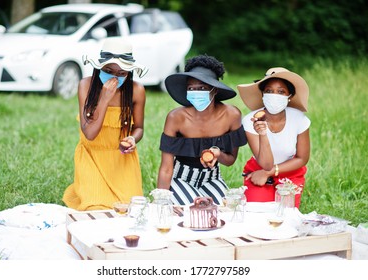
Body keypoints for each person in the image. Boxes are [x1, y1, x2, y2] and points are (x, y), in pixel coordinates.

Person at [63, 37, 148, 210]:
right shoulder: (85, 85)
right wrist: (103, 99)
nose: (115, 77)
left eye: (122, 73)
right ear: (99, 67)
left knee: (129, 209)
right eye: (108, 70)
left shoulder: (136, 91)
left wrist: (132, 138)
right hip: (91, 157)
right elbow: (90, 133)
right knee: (96, 207)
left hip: (121, 160)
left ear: (129, 73)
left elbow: (139, 128)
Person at [157, 55, 247, 205]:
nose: (196, 92)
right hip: (181, 177)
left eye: (202, 88)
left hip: (212, 178)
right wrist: (161, 201)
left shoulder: (231, 115)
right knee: (193, 211)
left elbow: (230, 160)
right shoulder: (176, 118)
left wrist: (218, 154)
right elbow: (166, 168)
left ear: (215, 90)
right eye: (191, 88)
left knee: (226, 211)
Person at [237, 67, 310, 208]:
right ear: (263, 95)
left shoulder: (298, 118)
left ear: (290, 96)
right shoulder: (250, 120)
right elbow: (265, 164)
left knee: (285, 213)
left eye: (281, 91)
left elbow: (302, 158)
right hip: (258, 168)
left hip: (289, 170)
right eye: (269, 91)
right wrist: (263, 134)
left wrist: (269, 172)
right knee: (256, 211)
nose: (274, 95)